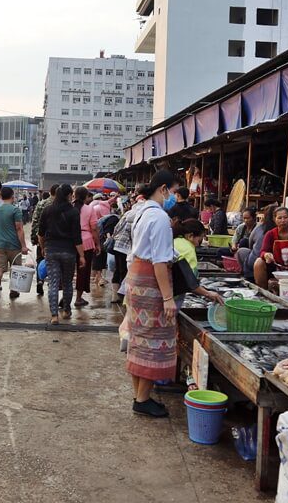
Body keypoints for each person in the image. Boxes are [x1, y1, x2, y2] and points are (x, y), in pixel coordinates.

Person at [124, 170, 179, 418]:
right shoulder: (159, 217)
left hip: (137, 277)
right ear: (164, 189)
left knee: (140, 338)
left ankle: (140, 397)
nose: (175, 197)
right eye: (175, 192)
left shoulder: (142, 212)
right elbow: (159, 261)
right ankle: (143, 399)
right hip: (151, 282)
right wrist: (168, 298)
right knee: (154, 339)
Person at [38, 184, 84, 324]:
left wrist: (43, 247)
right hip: (69, 252)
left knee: (53, 283)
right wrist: (81, 255)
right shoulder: (74, 212)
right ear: (69, 195)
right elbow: (77, 237)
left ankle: (54, 316)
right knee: (67, 282)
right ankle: (66, 310)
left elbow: (40, 234)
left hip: (51, 251)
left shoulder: (47, 210)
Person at [0, 186, 29, 302]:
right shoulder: (15, 210)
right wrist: (23, 245)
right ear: (13, 196)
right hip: (14, 245)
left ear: (1, 196)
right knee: (16, 268)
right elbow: (19, 229)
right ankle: (14, 290)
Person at [172, 219, 225, 305]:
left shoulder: (175, 240)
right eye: (199, 241)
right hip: (174, 295)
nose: (198, 245)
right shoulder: (188, 249)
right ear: (190, 236)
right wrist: (208, 293)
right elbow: (190, 283)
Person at [74, 186, 99, 308]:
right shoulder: (89, 209)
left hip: (70, 242)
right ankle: (78, 298)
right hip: (87, 242)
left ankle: (66, 296)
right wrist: (98, 243)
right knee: (83, 272)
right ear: (85, 197)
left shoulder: (70, 208)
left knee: (68, 272)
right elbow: (94, 228)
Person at [238, 205, 277, 281]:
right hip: (260, 264)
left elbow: (250, 244)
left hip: (255, 264)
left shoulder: (259, 227)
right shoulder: (264, 229)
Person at [31, 185, 58, 296]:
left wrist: (34, 236)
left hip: (41, 236)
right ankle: (51, 283)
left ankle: (40, 280)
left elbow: (35, 220)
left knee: (40, 260)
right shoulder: (59, 205)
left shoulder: (41, 203)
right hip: (54, 238)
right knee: (54, 262)